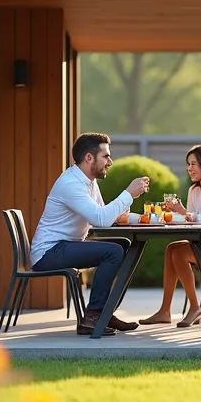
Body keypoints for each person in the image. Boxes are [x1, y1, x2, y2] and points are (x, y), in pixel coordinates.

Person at [31, 132, 150, 336]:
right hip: (49, 251)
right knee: (113, 251)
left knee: (122, 245)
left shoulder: (89, 182)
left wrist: (143, 218)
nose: (110, 162)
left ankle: (105, 312)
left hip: (66, 245)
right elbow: (101, 219)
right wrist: (128, 193)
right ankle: (93, 316)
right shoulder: (71, 184)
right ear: (89, 158)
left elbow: (106, 215)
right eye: (106, 156)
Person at [138, 145, 201, 327]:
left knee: (179, 253)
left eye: (194, 164)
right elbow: (191, 221)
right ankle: (165, 310)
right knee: (172, 248)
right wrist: (175, 215)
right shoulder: (194, 191)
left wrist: (184, 213)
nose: (189, 168)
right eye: (188, 164)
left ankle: (195, 308)